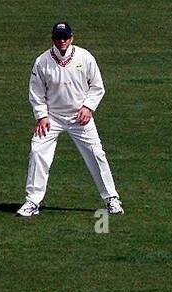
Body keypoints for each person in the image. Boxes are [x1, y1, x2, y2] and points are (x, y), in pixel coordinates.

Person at [18, 21, 122, 217]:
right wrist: (42, 116)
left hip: (79, 117)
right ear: (53, 40)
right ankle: (32, 202)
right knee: (38, 152)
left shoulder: (85, 57)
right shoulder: (42, 61)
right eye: (58, 38)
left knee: (97, 154)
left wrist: (88, 107)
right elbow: (36, 92)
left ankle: (111, 199)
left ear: (72, 38)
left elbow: (97, 86)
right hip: (52, 118)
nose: (62, 41)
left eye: (65, 37)